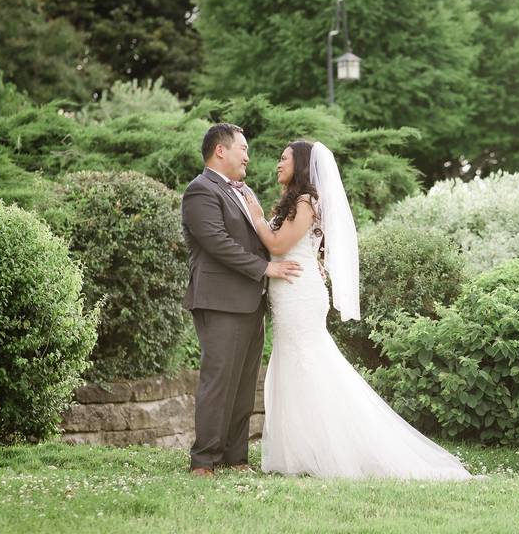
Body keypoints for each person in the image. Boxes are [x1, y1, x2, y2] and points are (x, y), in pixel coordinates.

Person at [243, 140, 471, 480]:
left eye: (284, 159)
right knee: (294, 366)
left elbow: (278, 244)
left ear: (302, 165)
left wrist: (257, 216)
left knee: (309, 366)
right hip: (290, 292)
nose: (278, 164)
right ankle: (300, 453)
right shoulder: (297, 202)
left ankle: (332, 450)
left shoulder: (307, 201)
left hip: (299, 295)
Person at [181, 123, 302, 478]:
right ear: (221, 150)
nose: (248, 156)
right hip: (219, 301)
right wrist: (265, 268)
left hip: (252, 301)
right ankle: (203, 460)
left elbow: (261, 235)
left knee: (245, 383)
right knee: (218, 380)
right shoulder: (200, 190)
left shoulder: (244, 191)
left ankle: (236, 457)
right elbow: (217, 243)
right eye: (243, 148)